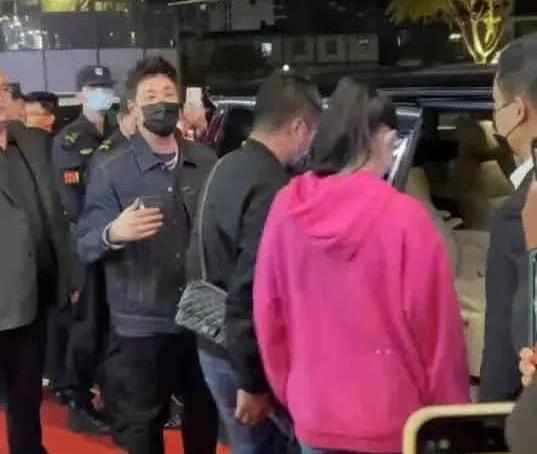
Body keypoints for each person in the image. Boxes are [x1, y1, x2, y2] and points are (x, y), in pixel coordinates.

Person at [253, 77, 470, 454]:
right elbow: (437, 335)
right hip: (393, 423)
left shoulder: (286, 208)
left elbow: (268, 315)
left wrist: (295, 391)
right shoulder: (405, 219)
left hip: (314, 417)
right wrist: (452, 420)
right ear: (385, 137)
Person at [77, 56, 218, 454]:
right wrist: (113, 233)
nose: (161, 103)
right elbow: (85, 243)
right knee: (142, 427)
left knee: (204, 419)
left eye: (168, 94)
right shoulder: (111, 168)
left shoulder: (205, 162)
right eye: (150, 96)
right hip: (141, 324)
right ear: (134, 109)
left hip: (201, 318)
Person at [187, 70, 322, 453]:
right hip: (244, 356)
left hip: (211, 338)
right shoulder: (273, 188)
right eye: (313, 132)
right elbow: (251, 288)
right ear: (298, 126)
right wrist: (253, 382)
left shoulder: (225, 165)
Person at [0, 70, 72, 454]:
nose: (2, 96)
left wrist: (69, 276)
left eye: (4, 88)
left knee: (26, 397)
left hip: (36, 295)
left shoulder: (31, 141)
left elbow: (55, 213)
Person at [50, 65, 115, 435]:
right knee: (87, 326)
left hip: (118, 241)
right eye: (93, 87)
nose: (101, 93)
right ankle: (78, 400)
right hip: (87, 244)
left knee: (109, 326)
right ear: (80, 94)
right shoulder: (70, 140)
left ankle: (107, 396)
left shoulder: (119, 132)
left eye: (105, 87)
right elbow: (73, 201)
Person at [480, 32, 537, 402]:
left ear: (517, 110)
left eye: (495, 105)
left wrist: (485, 421)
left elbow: (503, 365)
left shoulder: (521, 214)